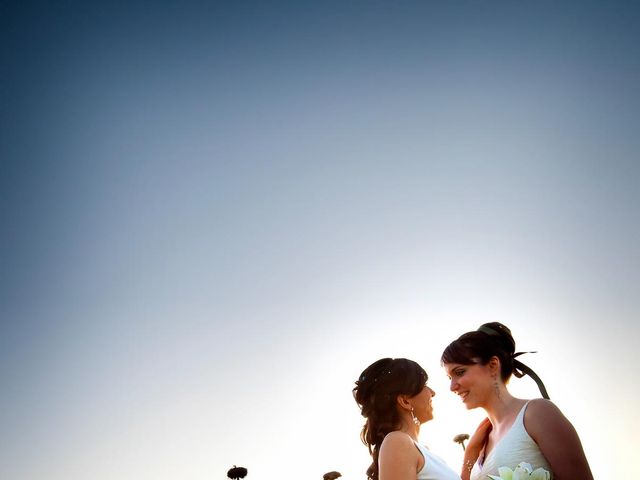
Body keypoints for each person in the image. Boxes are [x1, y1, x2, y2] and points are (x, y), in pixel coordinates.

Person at [441, 322, 593, 479]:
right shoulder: (480, 441)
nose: (452, 387)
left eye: (460, 372)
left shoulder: (537, 413)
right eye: (449, 377)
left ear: (493, 365)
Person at [353, 358, 490, 480]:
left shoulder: (420, 450)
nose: (432, 392)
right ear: (405, 401)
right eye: (424, 385)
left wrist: (471, 452)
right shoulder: (397, 442)